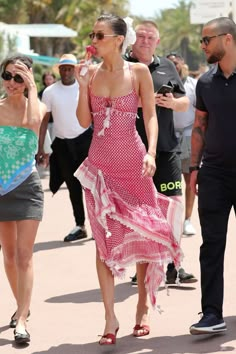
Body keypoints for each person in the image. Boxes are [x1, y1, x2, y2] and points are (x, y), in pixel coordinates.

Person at [74, 13, 183, 345]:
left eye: (100, 34)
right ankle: (110, 316)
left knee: (144, 234)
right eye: (92, 34)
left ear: (119, 39)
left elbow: (150, 114)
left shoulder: (137, 72)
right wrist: (81, 88)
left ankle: (141, 306)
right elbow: (83, 121)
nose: (94, 39)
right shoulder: (90, 74)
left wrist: (151, 152)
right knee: (102, 242)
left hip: (134, 164)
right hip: (100, 169)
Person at [125, 20, 196, 285]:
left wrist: (171, 101)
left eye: (149, 37)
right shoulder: (122, 67)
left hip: (166, 149)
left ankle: (174, 264)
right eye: (140, 36)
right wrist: (142, 103)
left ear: (157, 41)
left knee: (173, 207)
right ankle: (142, 265)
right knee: (139, 211)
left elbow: (184, 102)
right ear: (132, 40)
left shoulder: (166, 66)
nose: (144, 40)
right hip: (132, 152)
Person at [189, 17, 236, 335]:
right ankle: (211, 314)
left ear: (228, 39)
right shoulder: (205, 83)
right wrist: (194, 168)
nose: (202, 46)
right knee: (212, 245)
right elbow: (199, 127)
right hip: (215, 174)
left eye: (207, 40)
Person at [0, 54, 47, 344]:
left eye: (19, 77)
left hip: (27, 186)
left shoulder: (37, 107)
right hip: (1, 188)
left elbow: (32, 123)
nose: (12, 83)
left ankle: (21, 320)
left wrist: (30, 88)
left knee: (25, 255)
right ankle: (22, 308)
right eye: (7, 76)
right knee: (8, 255)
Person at [37, 54, 93, 242]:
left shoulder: (84, 86)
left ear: (75, 69)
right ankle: (80, 225)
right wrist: (41, 148)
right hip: (63, 145)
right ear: (59, 70)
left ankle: (99, 226)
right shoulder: (50, 92)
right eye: (64, 68)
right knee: (73, 186)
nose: (67, 71)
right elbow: (44, 122)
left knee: (93, 186)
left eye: (70, 68)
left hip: (86, 140)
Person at [167, 53, 197, 236]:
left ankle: (187, 220)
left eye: (176, 63)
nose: (174, 66)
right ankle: (172, 220)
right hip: (168, 137)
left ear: (182, 64)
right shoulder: (162, 84)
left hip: (189, 136)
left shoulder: (193, 84)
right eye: (170, 63)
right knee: (170, 182)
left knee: (189, 180)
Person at [38, 71, 56, 141]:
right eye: (46, 79)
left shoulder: (58, 91)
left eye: (50, 79)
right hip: (45, 121)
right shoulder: (41, 93)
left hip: (56, 121)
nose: (48, 81)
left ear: (54, 79)